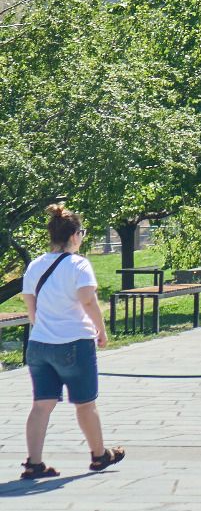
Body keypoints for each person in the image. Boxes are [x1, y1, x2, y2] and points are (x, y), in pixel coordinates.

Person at [19, 205, 123, 481]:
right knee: (85, 403)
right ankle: (99, 455)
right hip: (74, 341)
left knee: (41, 404)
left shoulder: (35, 265)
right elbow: (88, 300)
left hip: (39, 344)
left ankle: (34, 463)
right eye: (82, 233)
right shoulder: (79, 265)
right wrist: (101, 330)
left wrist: (40, 325)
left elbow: (30, 303)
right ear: (75, 235)